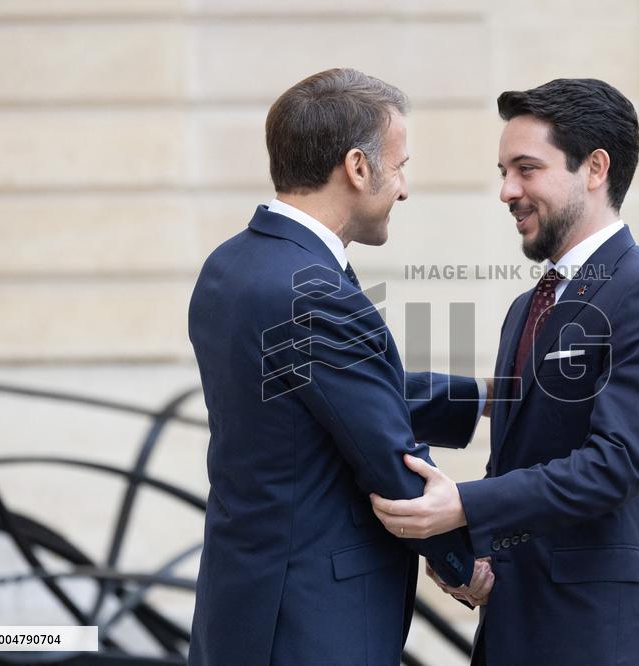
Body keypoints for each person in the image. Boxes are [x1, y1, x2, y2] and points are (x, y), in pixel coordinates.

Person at [370, 78, 639, 665]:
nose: (506, 190)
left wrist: (462, 506)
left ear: (594, 168)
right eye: (503, 170)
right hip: (509, 631)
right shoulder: (527, 307)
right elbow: (522, 458)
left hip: (597, 638)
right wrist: (471, 554)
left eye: (526, 169)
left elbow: (614, 466)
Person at [187, 68, 493, 666]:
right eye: (399, 165)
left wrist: (486, 396)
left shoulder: (230, 265)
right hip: (311, 622)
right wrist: (462, 561)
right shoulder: (312, 290)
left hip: (243, 604)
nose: (403, 188)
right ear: (357, 167)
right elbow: (383, 449)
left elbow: (334, 390)